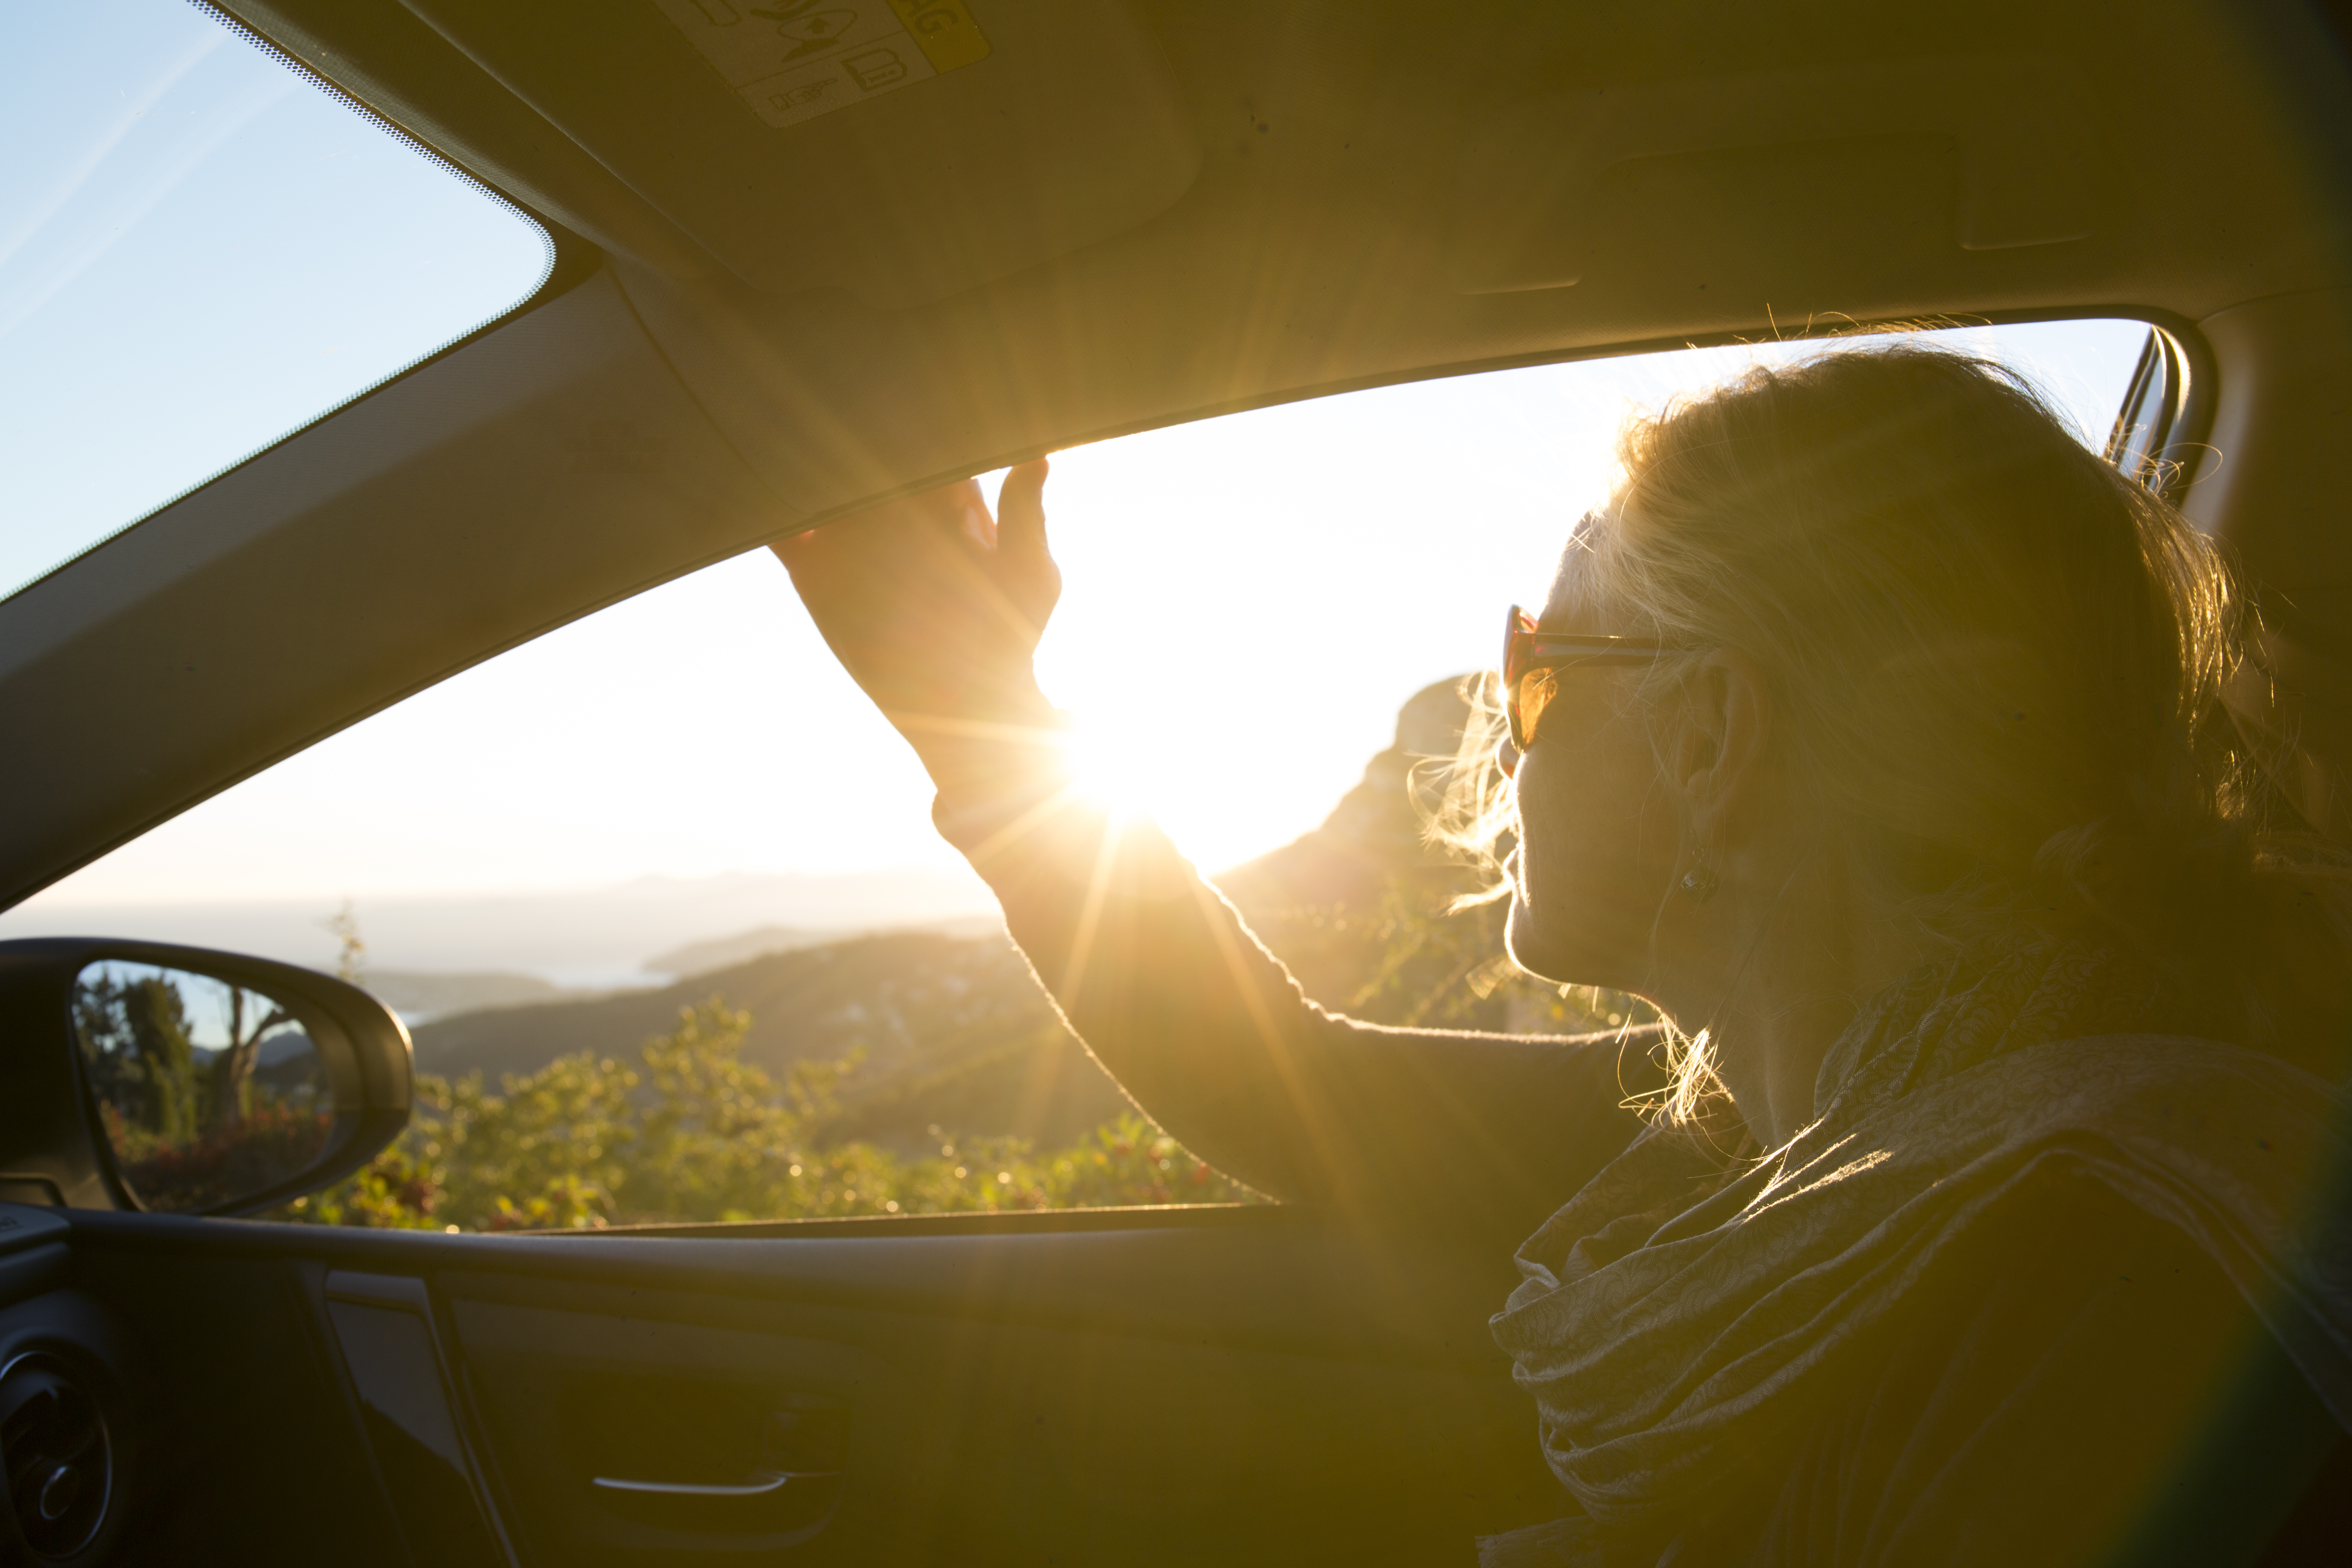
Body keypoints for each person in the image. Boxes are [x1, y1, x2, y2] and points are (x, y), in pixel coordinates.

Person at [777, 343, 2352, 1566]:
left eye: (1539, 663)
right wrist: (970, 710)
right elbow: (1295, 1083)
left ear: (1713, 739)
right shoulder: (1800, 1125)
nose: (1496, 721)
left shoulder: (2095, 1306)